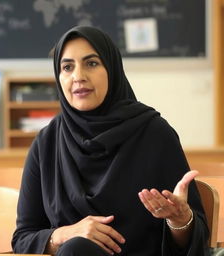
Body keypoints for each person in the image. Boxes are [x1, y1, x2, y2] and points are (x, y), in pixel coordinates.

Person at [12, 26, 210, 256]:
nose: (78, 76)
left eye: (91, 63)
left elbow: (196, 239)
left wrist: (180, 219)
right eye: (67, 67)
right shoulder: (47, 143)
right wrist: (66, 233)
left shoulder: (155, 134)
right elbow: (23, 238)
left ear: (112, 69)